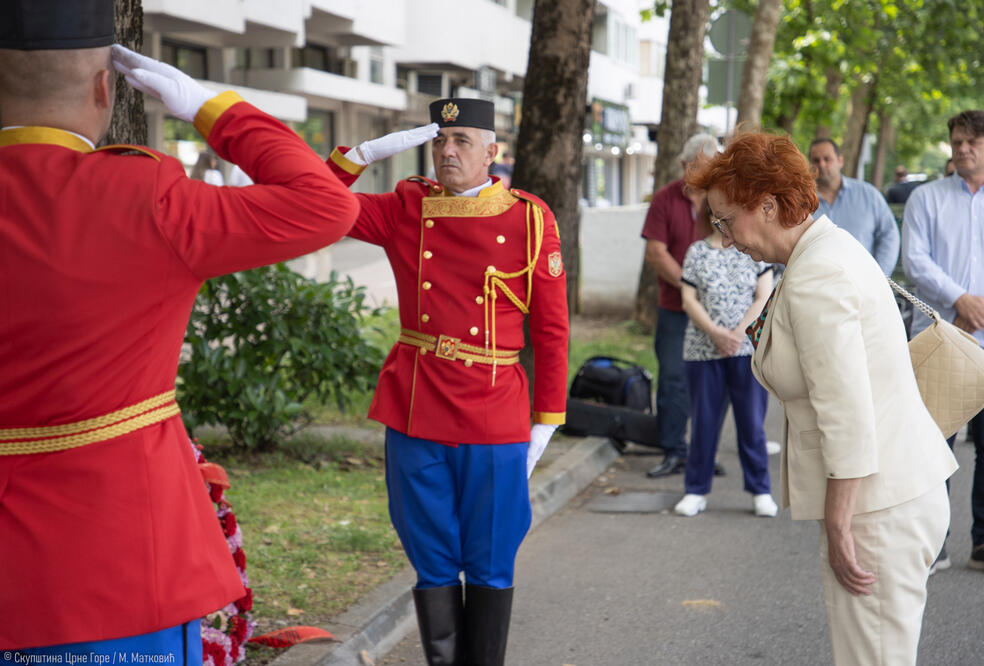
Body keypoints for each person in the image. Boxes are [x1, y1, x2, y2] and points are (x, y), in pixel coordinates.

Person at [0, 0, 359, 657]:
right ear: (104, 87)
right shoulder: (146, 198)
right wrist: (213, 108)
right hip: (125, 562)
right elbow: (325, 206)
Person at [686, 131, 957, 665]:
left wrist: (839, 523)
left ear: (767, 204)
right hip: (889, 496)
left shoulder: (818, 272)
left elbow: (846, 410)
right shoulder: (822, 250)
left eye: (725, 220)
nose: (725, 237)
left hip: (878, 508)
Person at [325, 98, 569, 666]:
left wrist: (546, 422)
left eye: (462, 140)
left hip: (493, 408)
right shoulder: (406, 207)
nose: (447, 151)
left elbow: (552, 330)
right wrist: (360, 155)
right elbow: (312, 202)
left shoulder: (529, 218)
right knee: (431, 559)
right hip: (417, 404)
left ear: (492, 152)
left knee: (490, 559)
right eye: (440, 140)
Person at [902, 109, 984, 575]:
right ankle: (932, 542)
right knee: (934, 443)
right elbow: (915, 261)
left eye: (972, 142)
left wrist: (981, 308)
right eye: (957, 141)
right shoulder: (926, 198)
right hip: (941, 334)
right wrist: (960, 299)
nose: (963, 149)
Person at [672, 201, 777, 518]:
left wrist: (737, 334)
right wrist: (717, 333)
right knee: (703, 423)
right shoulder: (697, 252)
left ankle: (760, 490)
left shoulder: (753, 250)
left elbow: (763, 296)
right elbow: (689, 299)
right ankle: (696, 490)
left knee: (751, 424)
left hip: (745, 351)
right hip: (703, 351)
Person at [641, 133, 723, 478]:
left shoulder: (722, 200)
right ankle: (674, 450)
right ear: (683, 165)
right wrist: (690, 286)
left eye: (711, 168)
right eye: (698, 167)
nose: (704, 174)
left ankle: (703, 453)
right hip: (675, 308)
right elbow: (655, 253)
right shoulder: (664, 199)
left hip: (715, 311)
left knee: (710, 383)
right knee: (673, 379)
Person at [809, 138, 900, 274]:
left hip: (865, 282)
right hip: (815, 283)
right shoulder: (800, 203)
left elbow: (889, 234)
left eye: (827, 159)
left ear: (840, 161)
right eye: (816, 160)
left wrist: (880, 276)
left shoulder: (869, 195)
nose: (822, 164)